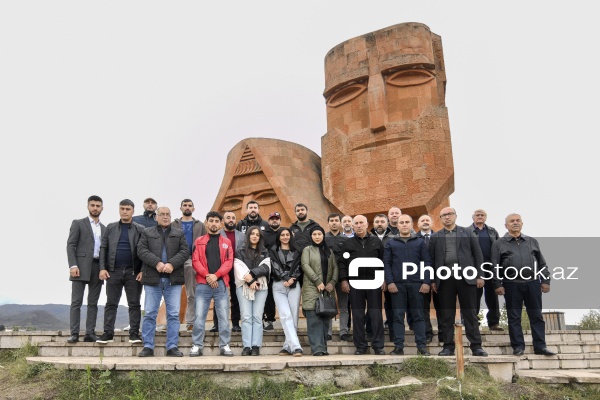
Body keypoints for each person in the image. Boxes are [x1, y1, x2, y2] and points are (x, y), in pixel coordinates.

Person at [492, 214, 555, 356]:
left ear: (522, 223)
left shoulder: (532, 241)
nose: (515, 223)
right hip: (511, 284)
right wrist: (497, 284)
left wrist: (545, 281)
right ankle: (518, 347)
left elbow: (541, 263)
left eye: (517, 221)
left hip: (532, 283)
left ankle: (540, 346)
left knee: (536, 316)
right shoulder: (499, 243)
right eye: (511, 221)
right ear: (506, 225)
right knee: (514, 317)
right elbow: (494, 265)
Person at [429, 207, 488, 357]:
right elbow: (430, 260)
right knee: (446, 314)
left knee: (470, 313)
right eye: (444, 215)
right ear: (440, 219)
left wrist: (480, 275)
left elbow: (478, 255)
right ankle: (448, 346)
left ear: (455, 216)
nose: (447, 217)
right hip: (445, 279)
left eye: (450, 214)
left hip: (466, 278)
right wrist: (432, 280)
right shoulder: (435, 237)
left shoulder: (467, 233)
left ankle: (476, 346)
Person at [137, 207, 189, 357]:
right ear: (156, 217)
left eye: (168, 214)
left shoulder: (179, 233)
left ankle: (172, 346)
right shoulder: (147, 232)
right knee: (150, 313)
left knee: (173, 314)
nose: (165, 217)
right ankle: (148, 346)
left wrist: (172, 264)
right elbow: (141, 250)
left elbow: (185, 251)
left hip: (173, 280)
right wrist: (157, 263)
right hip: (153, 280)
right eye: (162, 214)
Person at [97, 199, 144, 345]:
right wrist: (102, 268)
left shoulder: (140, 229)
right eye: (122, 208)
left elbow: (144, 251)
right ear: (119, 210)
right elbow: (103, 249)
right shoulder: (110, 228)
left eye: (128, 209)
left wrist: (142, 270)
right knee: (111, 303)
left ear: (133, 211)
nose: (125, 211)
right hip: (113, 271)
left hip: (133, 272)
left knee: (134, 304)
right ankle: (108, 333)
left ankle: (134, 334)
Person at [384, 214, 431, 356]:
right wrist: (390, 281)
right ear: (397, 226)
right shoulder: (391, 243)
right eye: (401, 222)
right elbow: (386, 264)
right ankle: (399, 346)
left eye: (407, 222)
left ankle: (421, 347)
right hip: (398, 285)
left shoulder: (420, 242)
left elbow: (427, 263)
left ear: (412, 225)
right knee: (398, 316)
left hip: (417, 284)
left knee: (418, 315)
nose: (404, 224)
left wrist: (426, 282)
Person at [190, 211, 234, 357]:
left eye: (216, 221)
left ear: (221, 224)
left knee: (223, 316)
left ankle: (225, 345)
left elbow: (229, 262)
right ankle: (197, 345)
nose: (214, 223)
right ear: (206, 222)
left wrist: (216, 275)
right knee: (199, 316)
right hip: (203, 284)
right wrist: (208, 276)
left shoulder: (226, 242)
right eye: (211, 221)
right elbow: (195, 261)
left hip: (221, 283)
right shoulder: (199, 241)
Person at [339, 215, 386, 355]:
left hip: (374, 282)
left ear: (367, 224)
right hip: (355, 283)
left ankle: (378, 346)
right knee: (358, 315)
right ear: (353, 226)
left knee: (375, 314)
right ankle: (360, 346)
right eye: (356, 223)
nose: (359, 225)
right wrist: (343, 280)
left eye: (361, 223)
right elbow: (342, 263)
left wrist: (384, 279)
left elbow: (383, 261)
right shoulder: (348, 244)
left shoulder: (376, 242)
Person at [66, 195, 106, 343]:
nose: (95, 208)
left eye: (98, 205)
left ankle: (90, 333)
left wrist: (103, 268)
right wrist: (73, 265)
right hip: (80, 267)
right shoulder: (78, 223)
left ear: (102, 208)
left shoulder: (104, 228)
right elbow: (71, 245)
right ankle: (74, 334)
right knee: (76, 302)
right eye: (92, 205)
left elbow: (104, 251)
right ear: (88, 206)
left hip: (97, 267)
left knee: (93, 303)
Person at [233, 227, 271, 355]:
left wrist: (252, 275)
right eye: (252, 234)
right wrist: (250, 281)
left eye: (257, 235)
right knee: (246, 316)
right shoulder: (240, 251)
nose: (255, 236)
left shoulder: (265, 252)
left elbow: (266, 267)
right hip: (244, 287)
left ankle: (255, 346)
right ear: (248, 236)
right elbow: (238, 268)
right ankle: (247, 346)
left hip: (261, 287)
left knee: (257, 316)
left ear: (260, 237)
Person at [301, 226, 338, 356]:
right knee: (314, 320)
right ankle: (317, 349)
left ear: (323, 235)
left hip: (327, 290)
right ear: (311, 236)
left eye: (319, 234)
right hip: (312, 289)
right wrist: (317, 281)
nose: (317, 236)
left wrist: (332, 283)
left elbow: (335, 268)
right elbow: (305, 265)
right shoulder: (307, 250)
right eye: (314, 234)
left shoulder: (329, 251)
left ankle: (324, 348)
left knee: (324, 321)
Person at [171, 199, 207, 332]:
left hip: (192, 259)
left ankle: (191, 321)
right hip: (175, 259)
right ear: (180, 208)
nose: (187, 207)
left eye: (189, 206)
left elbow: (205, 244)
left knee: (191, 293)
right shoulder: (174, 224)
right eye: (185, 205)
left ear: (193, 208)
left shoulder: (199, 225)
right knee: (171, 293)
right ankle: (171, 322)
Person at [467, 209, 503, 331]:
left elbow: (499, 248)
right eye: (477, 215)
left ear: (485, 218)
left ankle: (494, 323)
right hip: (474, 268)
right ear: (473, 217)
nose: (480, 217)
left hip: (490, 268)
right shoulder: (467, 231)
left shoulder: (492, 231)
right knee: (474, 296)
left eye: (482, 215)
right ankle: (473, 322)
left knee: (492, 296)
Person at [270, 228, 303, 356]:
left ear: (290, 236)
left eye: (287, 234)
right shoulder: (273, 251)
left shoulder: (297, 250)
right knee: (285, 315)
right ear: (279, 237)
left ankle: (287, 346)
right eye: (282, 235)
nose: (285, 237)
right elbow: (274, 266)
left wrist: (291, 279)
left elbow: (300, 266)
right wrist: (285, 278)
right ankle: (296, 347)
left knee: (294, 315)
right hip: (279, 285)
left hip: (294, 285)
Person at [212, 211, 245, 333]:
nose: (231, 220)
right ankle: (217, 324)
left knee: (236, 297)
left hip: (236, 270)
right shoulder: (217, 234)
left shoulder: (242, 236)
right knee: (219, 297)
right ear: (223, 221)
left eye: (233, 218)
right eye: (228, 218)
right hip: (221, 270)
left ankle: (236, 323)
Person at [415, 214, 441, 343]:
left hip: (439, 278)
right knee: (423, 308)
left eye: (427, 220)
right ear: (418, 225)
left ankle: (443, 332)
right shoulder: (413, 239)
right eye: (422, 220)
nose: (425, 222)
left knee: (441, 307)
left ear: (431, 223)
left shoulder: (439, 237)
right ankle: (427, 333)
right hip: (421, 279)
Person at [325, 213, 351, 342]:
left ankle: (344, 332)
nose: (334, 222)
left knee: (344, 305)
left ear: (340, 223)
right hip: (328, 278)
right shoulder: (323, 238)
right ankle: (327, 332)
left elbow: (349, 261)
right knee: (328, 305)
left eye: (336, 220)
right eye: (331, 220)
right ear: (328, 223)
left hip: (342, 277)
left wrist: (345, 278)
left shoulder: (346, 240)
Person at [261, 212, 281, 331]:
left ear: (280, 221)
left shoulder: (284, 233)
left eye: (276, 219)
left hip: (282, 269)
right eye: (272, 219)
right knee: (267, 296)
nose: (274, 221)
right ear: (268, 221)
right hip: (268, 269)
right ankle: (268, 320)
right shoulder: (264, 235)